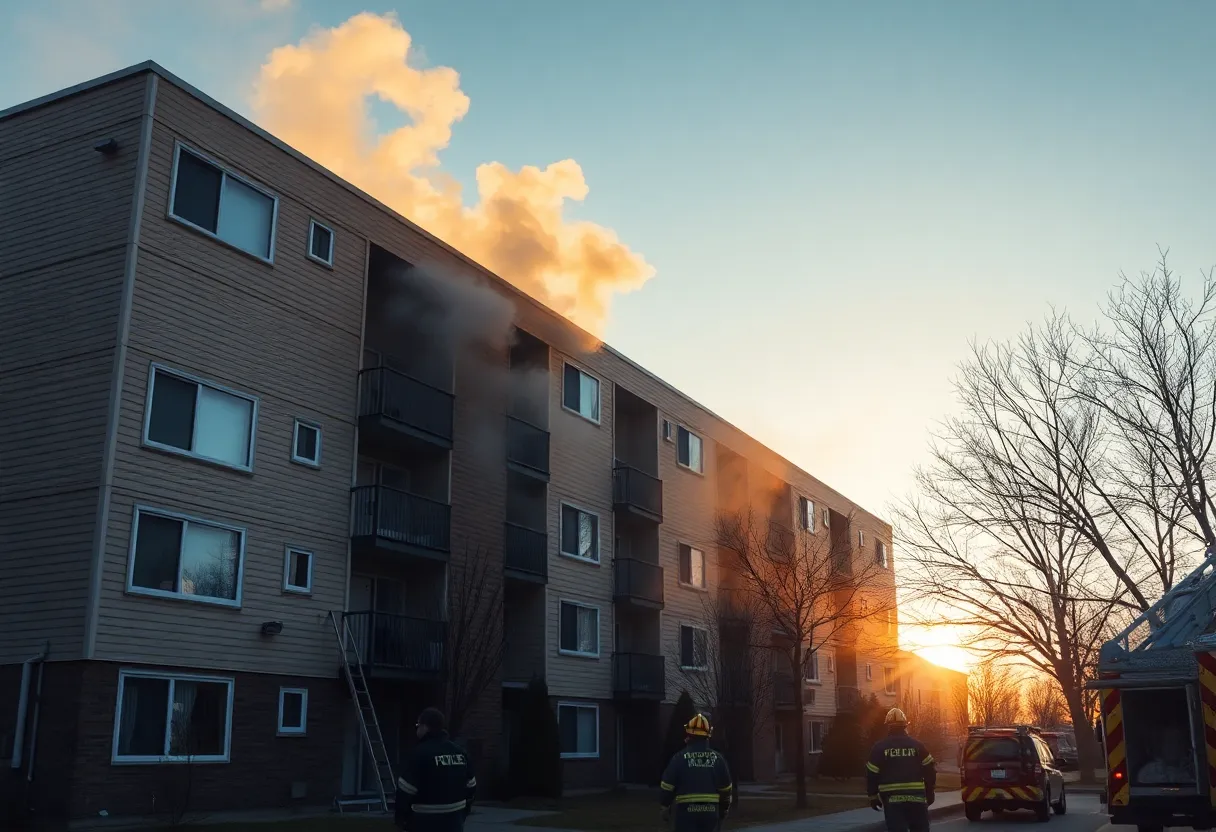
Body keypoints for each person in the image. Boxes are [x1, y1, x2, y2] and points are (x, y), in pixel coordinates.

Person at [394, 707, 477, 831]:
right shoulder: (460, 752)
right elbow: (471, 786)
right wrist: (463, 811)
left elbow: (405, 790)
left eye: (418, 725)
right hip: (455, 819)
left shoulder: (419, 753)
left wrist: (401, 819)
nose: (417, 729)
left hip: (424, 820)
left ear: (425, 727)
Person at [866, 708, 937, 832]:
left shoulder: (879, 748)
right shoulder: (917, 746)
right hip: (917, 799)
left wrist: (873, 796)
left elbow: (871, 773)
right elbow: (930, 769)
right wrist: (930, 791)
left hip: (892, 800)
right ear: (905, 726)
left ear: (888, 726)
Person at [659, 714, 734, 831]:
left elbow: (667, 786)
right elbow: (726, 789)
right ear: (708, 736)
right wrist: (724, 809)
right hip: (710, 814)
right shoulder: (718, 759)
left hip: (686, 814)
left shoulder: (679, 758)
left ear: (689, 735)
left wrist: (665, 806)